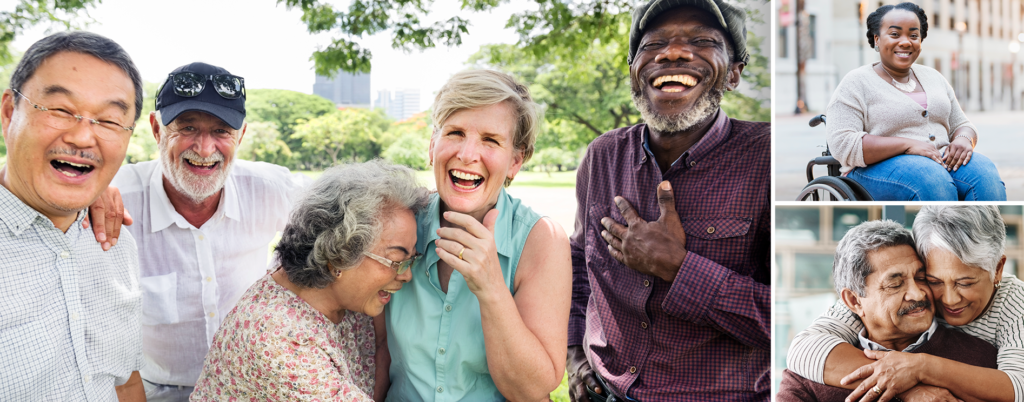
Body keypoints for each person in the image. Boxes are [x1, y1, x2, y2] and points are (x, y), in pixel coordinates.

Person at [566, 0, 771, 400]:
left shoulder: (766, 157)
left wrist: (679, 269)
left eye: (701, 40)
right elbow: (578, 266)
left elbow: (789, 315)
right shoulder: (602, 156)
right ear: (633, 74)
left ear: (733, 74)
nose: (672, 52)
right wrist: (575, 356)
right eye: (653, 43)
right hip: (604, 390)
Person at [104, 61, 308, 401]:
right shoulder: (114, 200)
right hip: (158, 391)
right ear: (156, 129)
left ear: (240, 136)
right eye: (187, 128)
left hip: (252, 385)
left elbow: (348, 206)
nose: (204, 148)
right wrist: (88, 194)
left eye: (221, 131)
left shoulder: (269, 188)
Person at [379, 69, 572, 401]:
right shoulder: (398, 221)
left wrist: (491, 287)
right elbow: (377, 352)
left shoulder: (543, 241)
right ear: (432, 146)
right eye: (454, 133)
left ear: (515, 161)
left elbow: (531, 391)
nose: (467, 155)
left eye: (490, 139)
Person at [191, 160, 430, 401]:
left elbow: (380, 345)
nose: (406, 274)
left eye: (411, 260)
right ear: (340, 253)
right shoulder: (281, 340)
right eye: (396, 261)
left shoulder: (336, 292)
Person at [0, 31, 145, 400]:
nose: (83, 137)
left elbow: (124, 381)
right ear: (8, 112)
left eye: (110, 121)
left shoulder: (115, 241)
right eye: (61, 110)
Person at [787, 206, 1024, 402]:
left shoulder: (1011, 311)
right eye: (933, 280)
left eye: (965, 282)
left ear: (998, 270)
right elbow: (803, 348)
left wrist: (921, 367)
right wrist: (906, 385)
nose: (949, 299)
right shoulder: (851, 318)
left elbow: (1018, 387)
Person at [826, 2, 1005, 201]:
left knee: (985, 175)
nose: (905, 42)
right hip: (874, 169)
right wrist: (908, 145)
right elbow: (843, 144)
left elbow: (962, 124)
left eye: (913, 35)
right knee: (932, 181)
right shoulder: (856, 81)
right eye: (895, 34)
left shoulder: (934, 77)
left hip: (941, 160)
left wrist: (964, 139)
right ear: (877, 39)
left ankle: (983, 233)